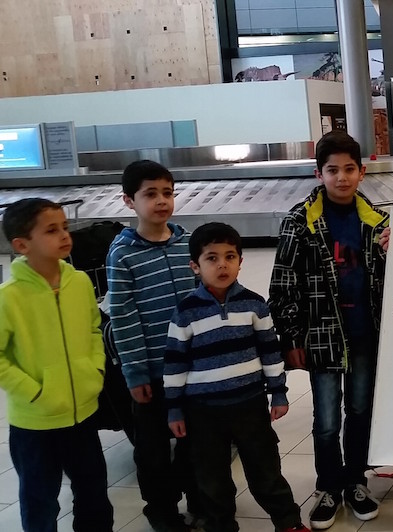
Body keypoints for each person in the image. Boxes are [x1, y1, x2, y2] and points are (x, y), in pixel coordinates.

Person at [268, 131, 389, 530]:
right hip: (321, 338)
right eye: (332, 170)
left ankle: (355, 479)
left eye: (349, 169)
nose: (341, 177)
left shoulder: (378, 223)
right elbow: (283, 283)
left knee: (359, 411)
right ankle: (328, 486)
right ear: (318, 173)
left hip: (365, 336)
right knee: (325, 420)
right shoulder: (299, 223)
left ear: (362, 171)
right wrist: (290, 336)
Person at [164, 222, 309, 532]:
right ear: (195, 266)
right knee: (212, 478)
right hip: (203, 412)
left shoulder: (254, 305)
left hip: (250, 405)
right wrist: (174, 409)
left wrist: (279, 392)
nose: (222, 265)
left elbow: (270, 352)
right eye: (212, 258)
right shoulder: (186, 312)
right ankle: (220, 525)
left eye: (230, 256)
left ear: (240, 261)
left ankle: (288, 522)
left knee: (266, 470)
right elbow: (175, 364)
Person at [0, 198, 115, 532]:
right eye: (52, 230)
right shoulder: (10, 297)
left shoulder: (79, 282)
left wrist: (94, 371)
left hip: (82, 413)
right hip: (36, 424)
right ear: (22, 244)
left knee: (94, 493)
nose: (65, 235)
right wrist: (34, 392)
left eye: (65, 226)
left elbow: (94, 328)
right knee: (40, 500)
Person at [106, 160, 200, 532]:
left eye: (167, 193)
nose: (161, 201)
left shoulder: (188, 243)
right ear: (129, 201)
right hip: (152, 371)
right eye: (150, 194)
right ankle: (162, 511)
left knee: (195, 442)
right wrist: (134, 372)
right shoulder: (122, 254)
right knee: (153, 450)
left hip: (191, 369)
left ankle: (199, 498)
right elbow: (124, 316)